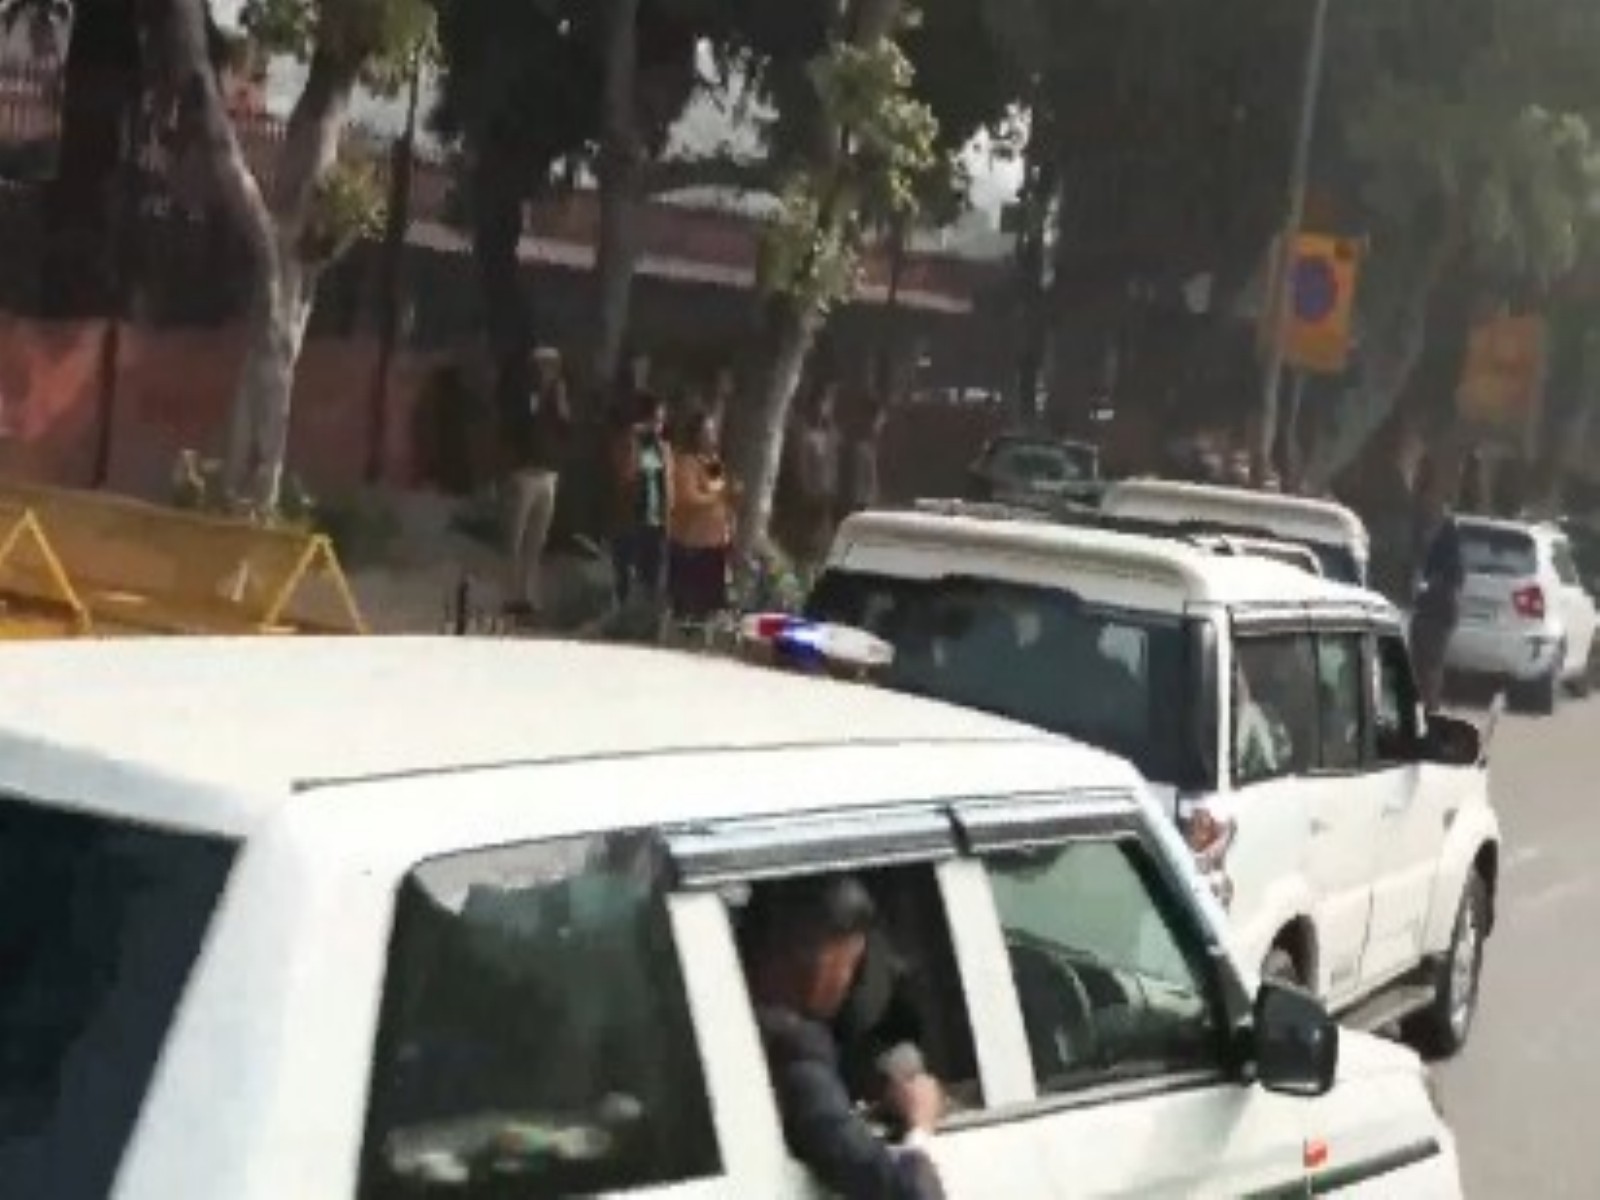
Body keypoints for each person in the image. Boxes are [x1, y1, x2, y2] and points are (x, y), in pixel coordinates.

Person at [742, 874, 947, 1200]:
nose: (849, 981)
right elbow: (901, 1191)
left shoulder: (737, 1020)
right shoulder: (794, 1048)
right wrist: (920, 1128)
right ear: (824, 956)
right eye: (850, 963)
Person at [503, 348, 570, 624]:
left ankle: (528, 596)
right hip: (525, 472)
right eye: (544, 366)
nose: (549, 372)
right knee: (515, 538)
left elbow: (566, 427)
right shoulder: (524, 396)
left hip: (548, 473)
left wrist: (561, 400)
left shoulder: (557, 399)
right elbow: (514, 428)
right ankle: (512, 593)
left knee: (537, 540)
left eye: (553, 367)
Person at [609, 390, 674, 608]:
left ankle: (645, 623)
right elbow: (624, 475)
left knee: (652, 579)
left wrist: (669, 519)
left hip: (655, 521)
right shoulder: (626, 442)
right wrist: (633, 437)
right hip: (630, 520)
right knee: (626, 576)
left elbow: (669, 485)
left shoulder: (663, 448)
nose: (659, 426)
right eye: (655, 420)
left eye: (662, 421)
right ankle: (622, 618)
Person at [669, 409, 735, 622]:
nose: (711, 436)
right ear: (695, 434)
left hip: (714, 542)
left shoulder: (713, 463)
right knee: (689, 598)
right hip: (692, 542)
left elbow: (719, 492)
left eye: (713, 431)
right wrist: (716, 499)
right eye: (706, 431)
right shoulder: (686, 462)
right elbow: (688, 498)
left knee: (711, 600)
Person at [1412, 488, 1465, 710]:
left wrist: (1428, 585)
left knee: (1430, 663)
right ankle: (1427, 705)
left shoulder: (1446, 542)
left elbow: (1448, 576)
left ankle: (1430, 707)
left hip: (1436, 611)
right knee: (1426, 663)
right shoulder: (1443, 537)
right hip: (1435, 611)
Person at [794, 385, 844, 563]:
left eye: (829, 403)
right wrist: (805, 487)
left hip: (827, 488)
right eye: (823, 402)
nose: (825, 408)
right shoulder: (804, 432)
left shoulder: (830, 432)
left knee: (824, 533)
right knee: (809, 533)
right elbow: (802, 464)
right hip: (811, 491)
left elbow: (835, 457)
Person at [841, 404, 887, 516]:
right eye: (880, 421)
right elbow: (861, 483)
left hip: (866, 503)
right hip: (861, 504)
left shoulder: (871, 447)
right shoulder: (862, 449)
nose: (882, 425)